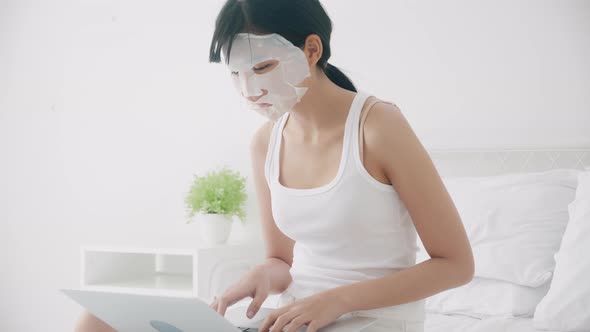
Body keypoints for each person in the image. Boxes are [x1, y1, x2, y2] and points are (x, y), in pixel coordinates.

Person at [75, 0, 474, 331]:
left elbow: (456, 265)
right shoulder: (265, 142)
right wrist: (262, 276)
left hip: (371, 319)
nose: (250, 90)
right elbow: (281, 261)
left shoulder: (379, 126)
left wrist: (337, 300)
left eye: (262, 68)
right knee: (98, 321)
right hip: (294, 319)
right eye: (236, 74)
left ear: (311, 50)